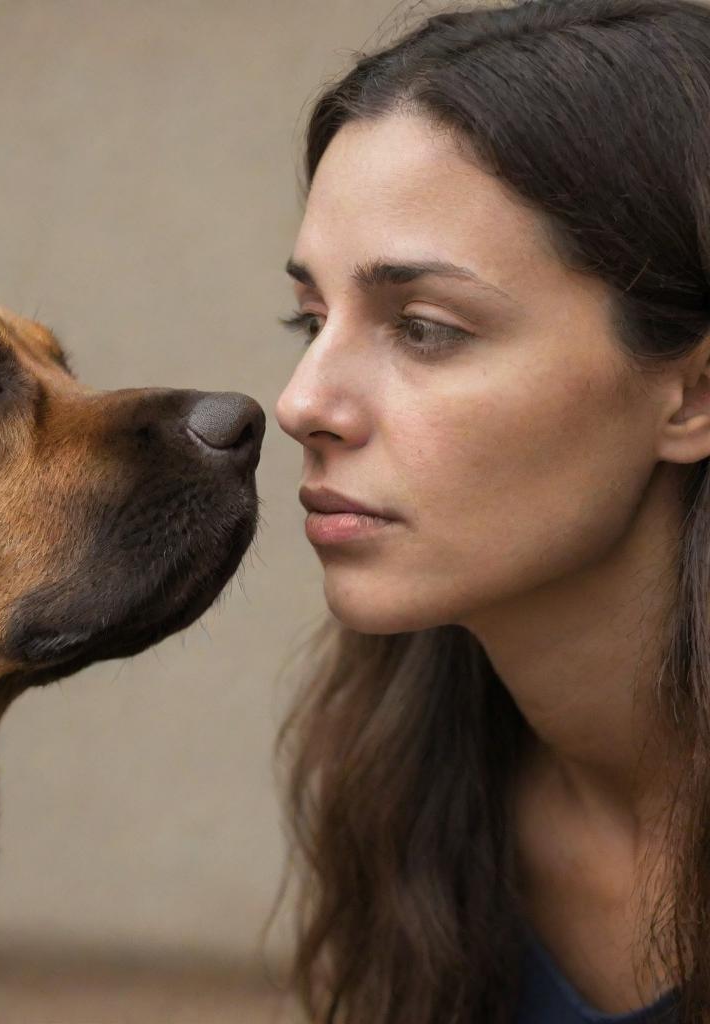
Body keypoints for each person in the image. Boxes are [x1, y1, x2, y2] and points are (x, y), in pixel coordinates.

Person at [272, 1, 710, 1021]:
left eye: (421, 328)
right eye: (307, 318)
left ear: (689, 393)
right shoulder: (405, 778)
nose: (301, 403)